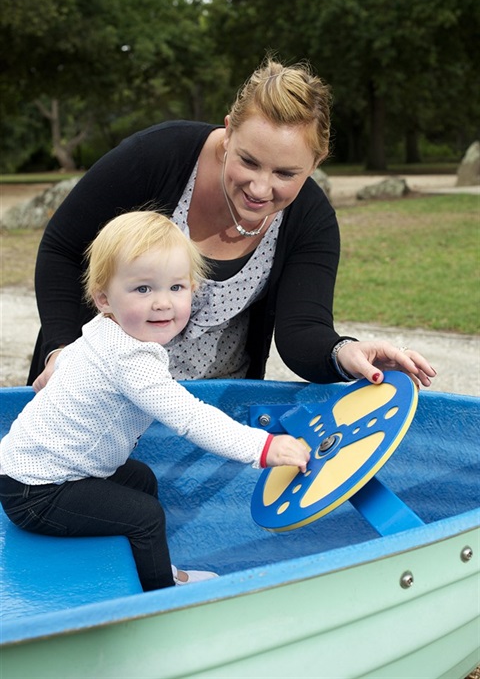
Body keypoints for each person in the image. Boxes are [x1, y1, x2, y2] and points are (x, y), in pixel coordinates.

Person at [28, 57, 436, 392]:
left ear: (317, 162)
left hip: (213, 409)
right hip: (95, 391)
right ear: (228, 131)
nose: (260, 188)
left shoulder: (312, 220)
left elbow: (302, 331)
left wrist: (345, 352)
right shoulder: (157, 157)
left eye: (286, 174)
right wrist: (60, 350)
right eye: (248, 161)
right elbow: (63, 249)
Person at [0, 212, 311, 592]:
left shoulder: (104, 331)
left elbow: (75, 359)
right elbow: (192, 418)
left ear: (193, 288)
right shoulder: (131, 360)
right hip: (36, 493)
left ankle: (150, 563)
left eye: (176, 288)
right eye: (143, 289)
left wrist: (61, 368)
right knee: (145, 515)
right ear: (103, 299)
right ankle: (159, 596)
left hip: (34, 471)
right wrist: (263, 447)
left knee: (140, 479)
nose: (163, 303)